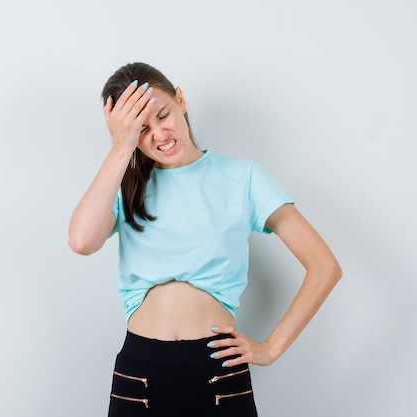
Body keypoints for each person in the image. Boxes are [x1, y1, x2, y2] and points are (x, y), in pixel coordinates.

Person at [68, 62, 341, 417]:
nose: (159, 135)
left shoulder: (243, 177)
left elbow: (324, 266)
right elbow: (82, 242)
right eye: (141, 129)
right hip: (141, 375)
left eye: (162, 115)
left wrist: (270, 349)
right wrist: (121, 149)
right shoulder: (124, 183)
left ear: (180, 99)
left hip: (217, 371)